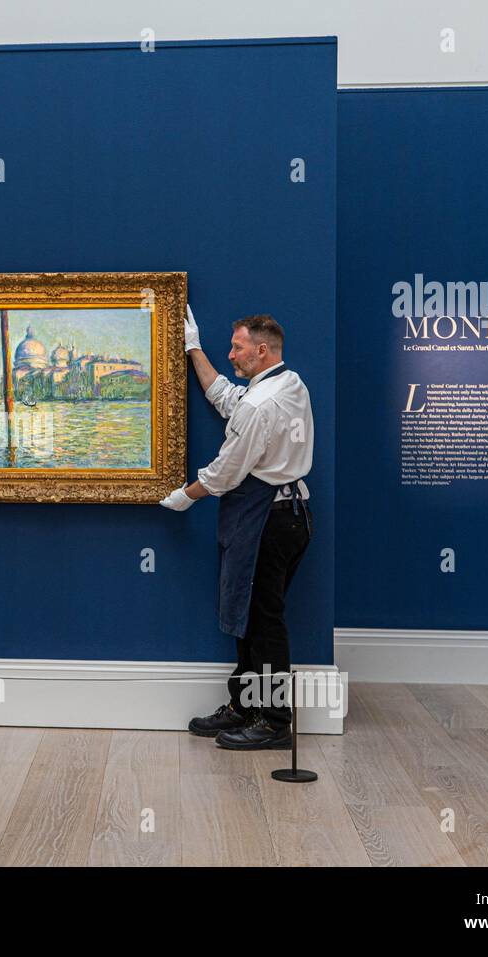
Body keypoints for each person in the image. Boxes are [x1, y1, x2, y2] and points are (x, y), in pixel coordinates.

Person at [159, 305, 314, 750]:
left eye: (237, 347)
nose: (232, 355)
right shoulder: (287, 384)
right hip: (285, 515)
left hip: (268, 519)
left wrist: (183, 496)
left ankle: (275, 721)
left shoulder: (262, 404)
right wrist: (194, 350)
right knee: (252, 616)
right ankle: (246, 706)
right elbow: (229, 399)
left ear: (261, 350)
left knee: (263, 621)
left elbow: (225, 472)